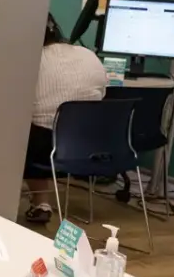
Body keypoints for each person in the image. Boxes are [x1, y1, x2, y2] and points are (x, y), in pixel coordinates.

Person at [24, 15, 110, 224]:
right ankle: (41, 203)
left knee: (11, 128)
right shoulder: (87, 54)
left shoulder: (30, 60)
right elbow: (103, 92)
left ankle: (36, 202)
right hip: (90, 143)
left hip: (43, 147)